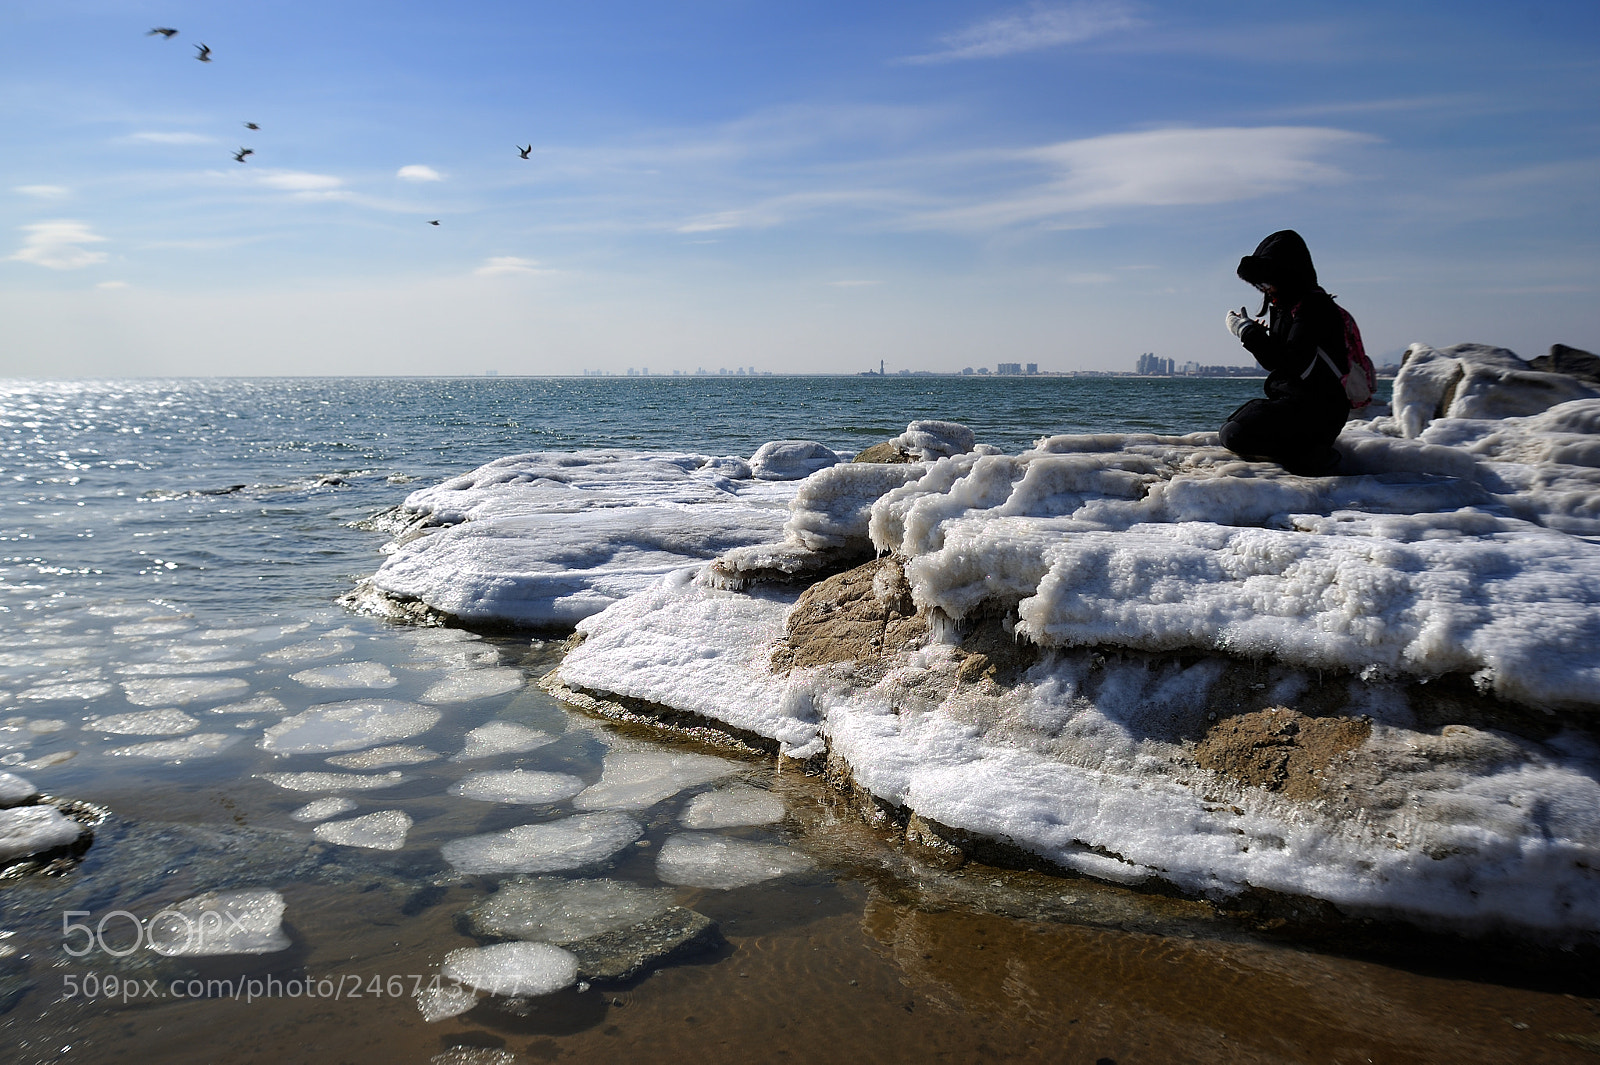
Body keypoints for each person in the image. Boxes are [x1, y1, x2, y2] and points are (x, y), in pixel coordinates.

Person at [1219, 230, 1351, 475]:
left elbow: (1288, 361)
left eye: (1267, 282)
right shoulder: (1288, 307)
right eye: (1260, 285)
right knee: (1234, 429)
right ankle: (1306, 451)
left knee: (1236, 433)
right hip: (1299, 405)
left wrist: (1246, 332)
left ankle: (1313, 453)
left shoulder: (1313, 306)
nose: (1265, 290)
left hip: (1317, 411)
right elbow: (1280, 360)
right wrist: (1258, 334)